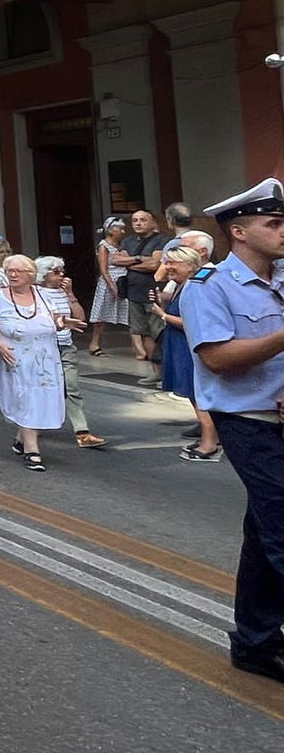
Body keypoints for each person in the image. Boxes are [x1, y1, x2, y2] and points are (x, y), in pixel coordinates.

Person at [179, 178, 284, 685]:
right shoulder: (208, 287)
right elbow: (218, 359)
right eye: (274, 223)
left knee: (266, 533)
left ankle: (257, 643)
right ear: (238, 232)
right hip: (249, 422)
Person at [0, 255, 66, 472]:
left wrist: (64, 323)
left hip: (46, 360)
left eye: (18, 271)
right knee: (26, 400)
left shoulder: (44, 295)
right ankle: (32, 450)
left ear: (31, 275)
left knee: (40, 401)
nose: (13, 274)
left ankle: (21, 438)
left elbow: (55, 320)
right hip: (15, 359)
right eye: (10, 271)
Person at [154, 242, 223, 462]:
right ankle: (211, 438)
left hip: (190, 348)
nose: (167, 266)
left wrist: (162, 315)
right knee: (196, 397)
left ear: (190, 265)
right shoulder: (183, 285)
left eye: (172, 262)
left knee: (198, 396)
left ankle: (209, 444)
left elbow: (192, 322)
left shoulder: (195, 286)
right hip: (182, 346)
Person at [34, 256, 105, 449]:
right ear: (43, 275)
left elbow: (81, 320)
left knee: (72, 388)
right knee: (42, 389)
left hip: (65, 346)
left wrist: (71, 295)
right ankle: (29, 428)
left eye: (62, 271)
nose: (61, 275)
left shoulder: (64, 292)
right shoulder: (35, 293)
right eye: (55, 272)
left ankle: (82, 432)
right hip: (44, 348)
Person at [115, 210, 168, 372]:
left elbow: (154, 265)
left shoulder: (161, 241)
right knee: (142, 331)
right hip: (133, 292)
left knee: (158, 332)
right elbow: (116, 260)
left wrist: (129, 261)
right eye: (135, 220)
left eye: (143, 220)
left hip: (153, 292)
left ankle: (166, 372)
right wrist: (140, 258)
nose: (138, 223)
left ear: (153, 223)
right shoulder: (127, 241)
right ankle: (155, 371)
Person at [88, 217, 130, 354]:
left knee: (129, 313)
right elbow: (103, 268)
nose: (122, 232)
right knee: (102, 314)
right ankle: (94, 344)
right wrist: (112, 286)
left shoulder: (122, 245)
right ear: (111, 230)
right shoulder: (103, 245)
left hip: (123, 279)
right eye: (119, 229)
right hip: (109, 281)